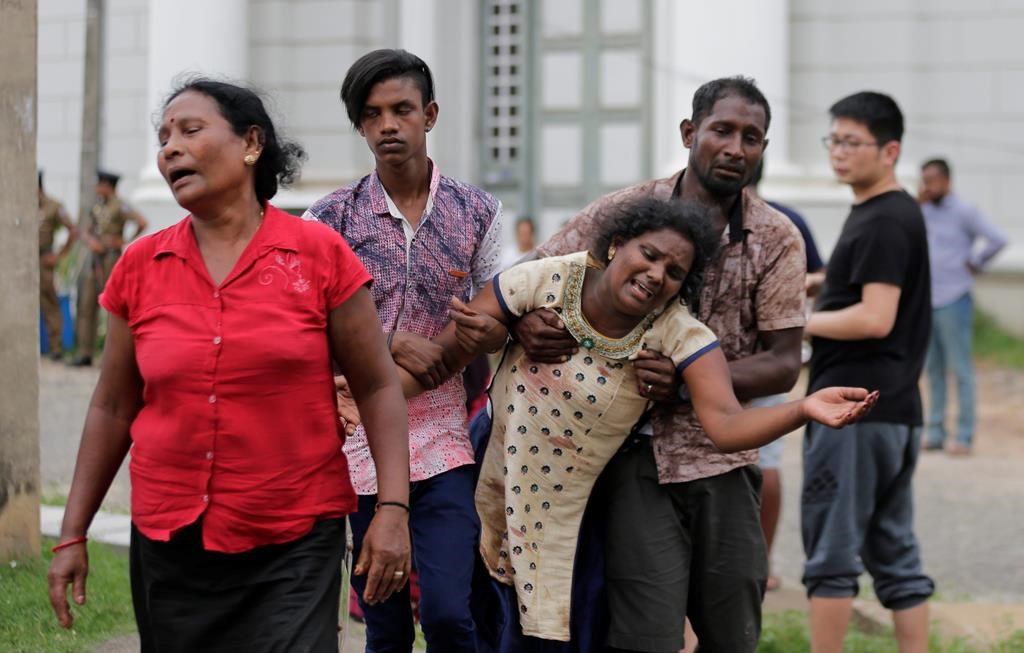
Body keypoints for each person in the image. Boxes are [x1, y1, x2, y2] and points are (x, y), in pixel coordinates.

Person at [340, 197, 876, 650]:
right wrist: (355, 397)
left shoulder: (677, 333)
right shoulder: (545, 280)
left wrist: (804, 409)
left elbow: (727, 425)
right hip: (491, 492)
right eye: (649, 254)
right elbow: (444, 360)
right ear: (617, 244)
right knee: (460, 621)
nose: (656, 275)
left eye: (675, 272)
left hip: (569, 526)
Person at [47, 79, 412, 652]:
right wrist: (72, 534)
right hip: (170, 543)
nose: (169, 148)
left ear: (251, 144)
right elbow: (113, 406)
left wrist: (392, 507)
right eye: (163, 137)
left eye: (190, 131)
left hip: (293, 537)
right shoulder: (140, 265)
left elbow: (377, 385)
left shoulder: (318, 255)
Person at [514, 76, 808, 653]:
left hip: (722, 459)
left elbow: (781, 363)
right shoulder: (629, 211)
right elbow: (535, 271)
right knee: (644, 635)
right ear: (689, 132)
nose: (735, 148)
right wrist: (526, 321)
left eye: (752, 137)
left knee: (733, 632)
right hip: (628, 456)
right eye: (722, 130)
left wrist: (689, 385)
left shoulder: (777, 238)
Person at [304, 49, 504, 652]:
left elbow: (498, 314)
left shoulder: (478, 211)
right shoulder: (330, 218)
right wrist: (385, 342)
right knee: (384, 623)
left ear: (430, 114)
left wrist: (463, 340)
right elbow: (304, 321)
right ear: (360, 126)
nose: (388, 124)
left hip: (447, 440)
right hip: (358, 441)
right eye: (372, 114)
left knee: (449, 612)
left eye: (402, 109)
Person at [804, 91, 935, 653]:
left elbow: (876, 316)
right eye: (833, 140)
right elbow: (864, 285)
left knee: (832, 557)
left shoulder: (884, 220)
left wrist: (802, 321)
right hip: (896, 412)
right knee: (896, 556)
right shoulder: (888, 213)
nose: (838, 152)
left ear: (890, 151)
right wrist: (822, 282)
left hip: (852, 411)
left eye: (851, 142)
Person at [747, 160, 826, 592]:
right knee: (764, 462)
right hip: (760, 361)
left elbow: (822, 275)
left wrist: (795, 285)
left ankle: (762, 560)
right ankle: (760, 563)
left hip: (763, 361)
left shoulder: (785, 222)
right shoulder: (788, 219)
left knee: (766, 463)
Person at [918, 158, 1008, 455]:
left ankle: (965, 436)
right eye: (924, 180)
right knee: (933, 369)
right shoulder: (924, 209)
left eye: (932, 180)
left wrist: (977, 262)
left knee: (961, 369)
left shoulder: (964, 211)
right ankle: (934, 432)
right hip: (928, 298)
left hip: (954, 298)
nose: (928, 186)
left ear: (946, 180)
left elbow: (998, 239)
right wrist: (916, 205)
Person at [72, 169, 148, 366]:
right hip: (94, 259)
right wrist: (90, 242)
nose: (97, 189)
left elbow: (141, 222)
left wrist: (124, 241)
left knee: (113, 305)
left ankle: (111, 355)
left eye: (100, 185)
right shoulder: (97, 206)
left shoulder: (120, 206)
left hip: (111, 258)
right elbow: (86, 231)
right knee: (87, 304)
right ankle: (84, 352)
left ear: (108, 186)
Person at [38, 170, 77, 360]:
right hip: (22, 262)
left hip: (43, 260)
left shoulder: (53, 206)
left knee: (50, 304)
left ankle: (55, 347)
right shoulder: (20, 203)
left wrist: (59, 256)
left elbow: (72, 230)